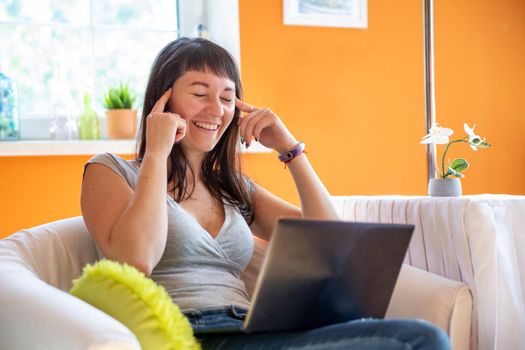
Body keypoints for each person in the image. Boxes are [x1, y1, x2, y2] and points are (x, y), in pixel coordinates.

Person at [81, 37, 450, 350]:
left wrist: (291, 151)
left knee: (420, 336)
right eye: (199, 93)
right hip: (196, 334)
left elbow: (330, 246)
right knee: (416, 340)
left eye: (227, 98)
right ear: (162, 102)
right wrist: (158, 152)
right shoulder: (111, 170)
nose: (216, 110)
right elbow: (136, 260)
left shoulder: (233, 187)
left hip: (251, 330)